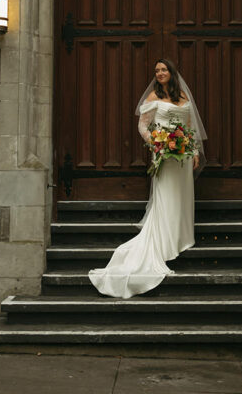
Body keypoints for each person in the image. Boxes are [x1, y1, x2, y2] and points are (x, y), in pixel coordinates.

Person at [88, 58, 207, 299]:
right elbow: (143, 126)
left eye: (164, 70)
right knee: (165, 198)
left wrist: (193, 151)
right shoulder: (153, 97)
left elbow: (190, 126)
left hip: (182, 157)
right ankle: (164, 243)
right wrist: (156, 142)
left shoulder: (183, 95)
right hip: (164, 155)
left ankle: (181, 237)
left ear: (172, 73)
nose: (160, 73)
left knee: (182, 196)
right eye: (157, 71)